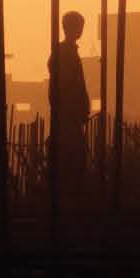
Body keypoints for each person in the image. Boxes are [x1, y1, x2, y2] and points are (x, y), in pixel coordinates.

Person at [47, 10, 91, 191]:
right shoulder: (64, 52)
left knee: (75, 152)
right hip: (68, 113)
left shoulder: (67, 51)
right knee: (71, 154)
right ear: (69, 28)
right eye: (78, 26)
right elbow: (68, 85)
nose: (80, 30)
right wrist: (77, 107)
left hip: (70, 112)